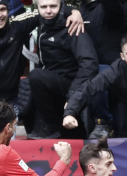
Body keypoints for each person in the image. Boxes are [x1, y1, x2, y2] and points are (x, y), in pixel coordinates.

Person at [0, 0, 82, 139]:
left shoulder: (17, 24)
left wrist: (74, 12)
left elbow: (47, 8)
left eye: (3, 9)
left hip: (8, 108)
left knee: (3, 157)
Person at [26, 0, 98, 139]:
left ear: (60, 6)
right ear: (37, 7)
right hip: (51, 84)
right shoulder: (40, 21)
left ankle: (52, 129)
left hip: (72, 86)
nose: (48, 11)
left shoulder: (72, 25)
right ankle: (69, 132)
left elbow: (89, 64)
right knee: (28, 86)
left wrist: (73, 95)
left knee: (36, 76)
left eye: (53, 6)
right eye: (44, 7)